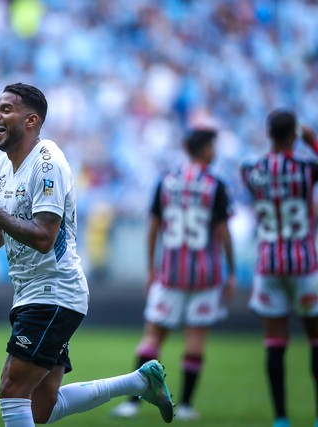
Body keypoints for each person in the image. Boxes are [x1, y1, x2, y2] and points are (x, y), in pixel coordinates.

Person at [0, 82, 175, 426]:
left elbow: (43, 236)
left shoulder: (48, 162)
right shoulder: (3, 167)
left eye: (6, 109)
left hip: (54, 292)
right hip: (28, 294)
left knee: (11, 390)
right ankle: (140, 382)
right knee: (41, 409)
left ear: (30, 120)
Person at [110, 128, 236, 421]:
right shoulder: (215, 184)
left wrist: (151, 267)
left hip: (169, 273)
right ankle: (187, 406)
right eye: (213, 147)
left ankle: (132, 403)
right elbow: (223, 231)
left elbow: (153, 226)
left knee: (152, 338)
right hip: (204, 276)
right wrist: (229, 271)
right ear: (205, 150)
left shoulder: (167, 180)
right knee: (195, 339)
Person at [240, 109, 318, 427]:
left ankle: (281, 418)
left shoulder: (251, 169)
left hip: (269, 264)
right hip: (304, 264)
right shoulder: (307, 166)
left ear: (268, 132)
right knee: (314, 338)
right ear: (295, 134)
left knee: (275, 342)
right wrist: (313, 142)